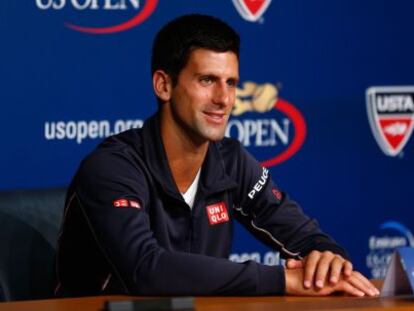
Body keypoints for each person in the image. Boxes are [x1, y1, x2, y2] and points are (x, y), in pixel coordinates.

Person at [55, 14, 379, 297]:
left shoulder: (230, 161)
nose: (224, 99)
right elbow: (146, 269)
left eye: (232, 82)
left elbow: (305, 235)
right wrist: (281, 280)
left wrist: (327, 259)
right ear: (163, 85)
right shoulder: (113, 167)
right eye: (207, 80)